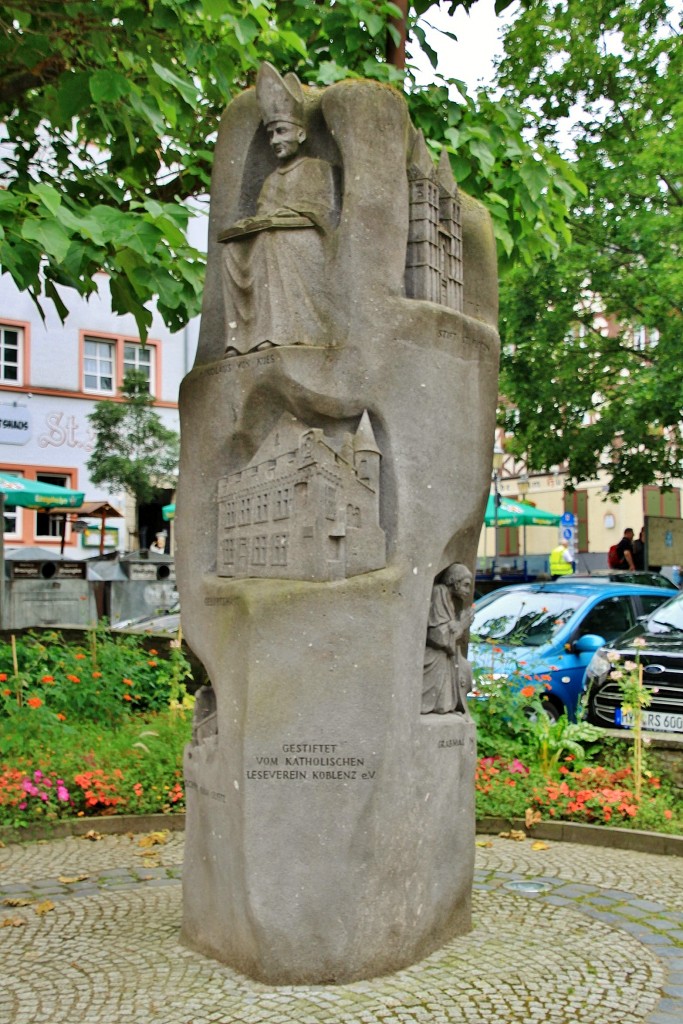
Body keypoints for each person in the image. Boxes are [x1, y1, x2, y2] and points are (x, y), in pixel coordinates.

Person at [221, 62, 336, 355]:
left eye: (281, 131)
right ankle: (241, 339)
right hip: (272, 238)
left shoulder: (316, 168)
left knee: (270, 241)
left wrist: (283, 218)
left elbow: (321, 213)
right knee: (232, 251)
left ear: (301, 134)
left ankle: (278, 332)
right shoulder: (271, 179)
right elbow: (263, 215)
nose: (275, 140)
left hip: (305, 242)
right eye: (271, 133)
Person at [422, 563, 474, 715]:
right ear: (455, 582)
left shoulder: (448, 599)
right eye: (465, 585)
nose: (468, 591)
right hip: (433, 657)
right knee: (430, 697)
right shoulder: (438, 592)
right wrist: (461, 625)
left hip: (443, 659)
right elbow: (437, 635)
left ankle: (444, 707)